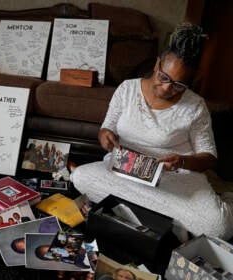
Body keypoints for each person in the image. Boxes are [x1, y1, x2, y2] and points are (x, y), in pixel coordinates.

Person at [71, 22, 233, 240]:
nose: (167, 88)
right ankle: (171, 224)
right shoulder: (127, 89)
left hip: (175, 180)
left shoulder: (196, 106)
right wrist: (105, 135)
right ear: (157, 64)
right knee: (79, 177)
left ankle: (222, 201)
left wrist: (181, 162)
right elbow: (107, 127)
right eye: (164, 77)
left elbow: (209, 157)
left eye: (178, 85)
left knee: (219, 228)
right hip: (126, 173)